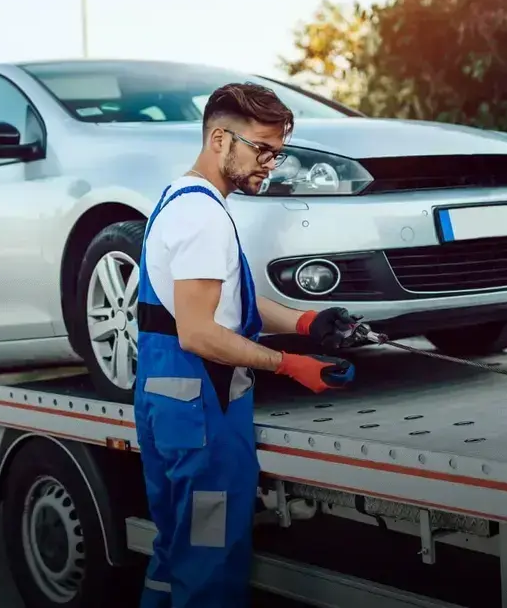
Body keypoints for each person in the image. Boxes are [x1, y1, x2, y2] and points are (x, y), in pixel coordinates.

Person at [133, 81, 360, 608]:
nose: (269, 164)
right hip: (205, 417)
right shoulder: (204, 216)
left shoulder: (178, 200)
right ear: (219, 140)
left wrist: (306, 322)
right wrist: (288, 364)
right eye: (261, 149)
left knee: (175, 553)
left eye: (276, 154)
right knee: (210, 565)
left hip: (171, 406)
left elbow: (217, 305)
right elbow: (199, 332)